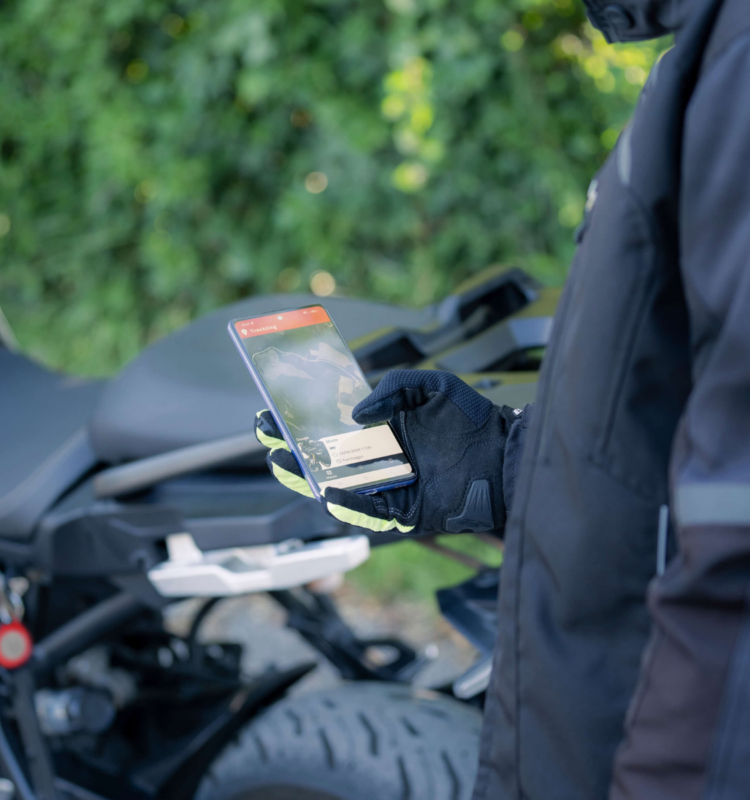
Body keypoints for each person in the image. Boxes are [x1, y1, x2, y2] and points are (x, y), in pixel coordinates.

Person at [255, 0, 750, 796]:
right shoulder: (713, 52)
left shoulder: (739, 67)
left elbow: (736, 573)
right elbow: (688, 429)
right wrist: (504, 461)